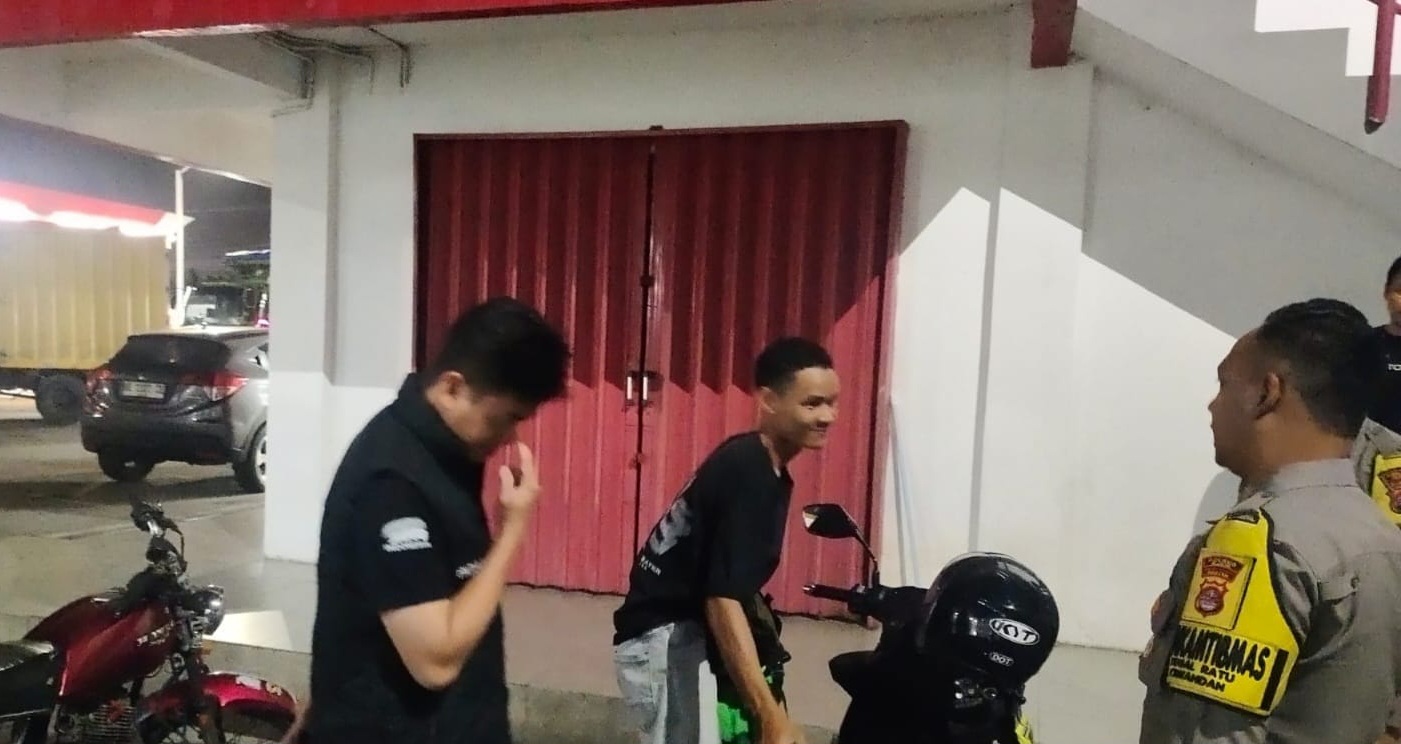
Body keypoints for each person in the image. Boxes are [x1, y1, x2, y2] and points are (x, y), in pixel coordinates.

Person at [296, 296, 570, 744]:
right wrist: (512, 532)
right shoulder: (392, 483)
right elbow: (434, 662)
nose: (510, 437)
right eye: (504, 419)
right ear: (452, 388)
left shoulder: (441, 456)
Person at [1138, 298, 1401, 744]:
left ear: (1267, 393)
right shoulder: (1380, 537)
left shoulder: (1259, 543)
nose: (1212, 405)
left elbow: (1207, 733)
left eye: (1224, 384)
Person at [611, 337, 840, 744]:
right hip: (664, 639)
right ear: (768, 401)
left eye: (832, 403)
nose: (827, 416)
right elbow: (722, 599)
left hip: (679, 637)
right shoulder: (750, 470)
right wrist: (769, 715)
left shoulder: (756, 462)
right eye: (812, 404)